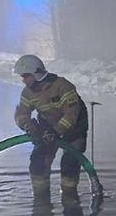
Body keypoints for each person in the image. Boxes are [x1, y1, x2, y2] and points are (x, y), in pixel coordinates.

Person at [12, 54, 89, 205]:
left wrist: (56, 132)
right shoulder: (27, 93)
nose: (23, 80)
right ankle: (40, 203)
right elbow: (21, 114)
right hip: (47, 128)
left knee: (69, 163)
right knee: (38, 162)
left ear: (36, 74)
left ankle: (70, 201)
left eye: (26, 76)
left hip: (74, 128)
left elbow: (71, 114)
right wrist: (30, 127)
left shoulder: (63, 87)